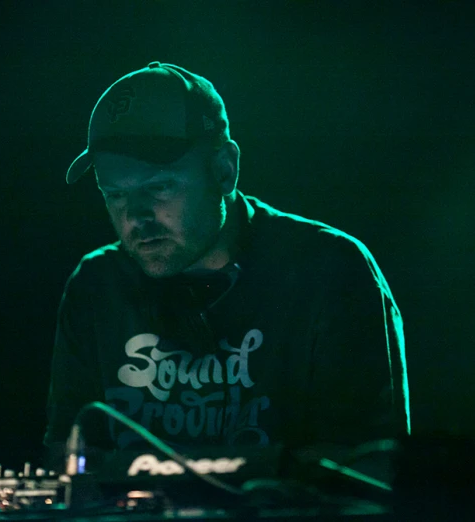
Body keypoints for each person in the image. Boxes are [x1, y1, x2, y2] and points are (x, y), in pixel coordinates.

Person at [43, 61, 410, 469]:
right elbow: (71, 460)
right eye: (115, 194)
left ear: (224, 170)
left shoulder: (328, 270)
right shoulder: (97, 285)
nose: (135, 217)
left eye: (159, 186)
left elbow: (369, 469)